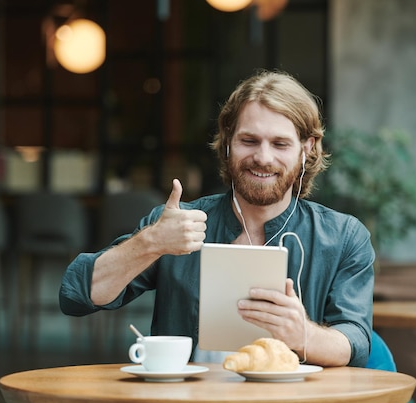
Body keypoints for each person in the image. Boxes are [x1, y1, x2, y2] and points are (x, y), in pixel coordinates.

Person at [60, 69, 375, 368]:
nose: (263, 157)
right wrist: (152, 241)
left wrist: (301, 333)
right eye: (249, 141)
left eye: (280, 144)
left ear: (307, 149)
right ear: (227, 144)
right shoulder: (176, 223)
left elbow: (357, 343)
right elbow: (78, 295)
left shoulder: (343, 236)